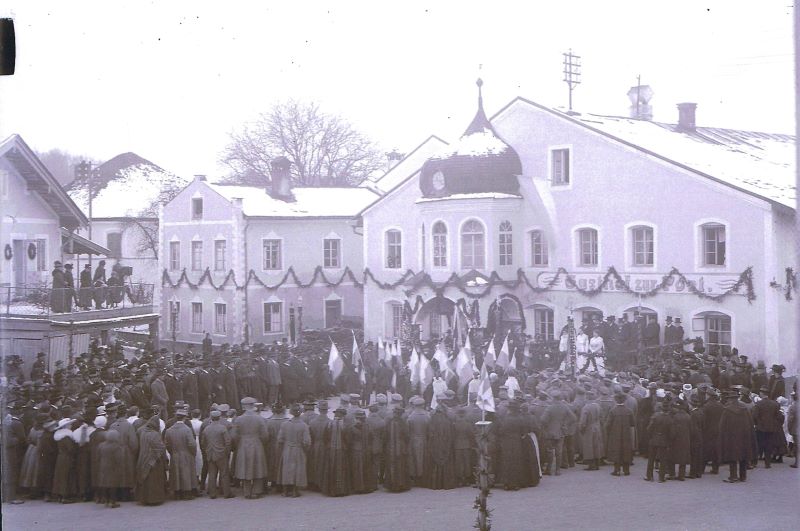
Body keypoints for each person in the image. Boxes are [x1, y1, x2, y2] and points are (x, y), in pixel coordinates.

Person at [719, 389, 756, 483]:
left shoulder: (727, 410)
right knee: (743, 455)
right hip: (744, 436)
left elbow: (722, 425)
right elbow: (750, 423)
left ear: (730, 399)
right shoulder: (744, 408)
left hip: (731, 437)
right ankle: (743, 476)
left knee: (732, 457)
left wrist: (722, 436)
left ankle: (733, 476)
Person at [277, 403, 312, 497]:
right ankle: (294, 491)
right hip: (298, 448)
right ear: (300, 413)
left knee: (286, 469)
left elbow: (280, 439)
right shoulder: (304, 426)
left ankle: (284, 491)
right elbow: (307, 441)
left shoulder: (284, 424)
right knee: (297, 469)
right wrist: (306, 450)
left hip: (287, 448)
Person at [540, 390, 576, 476]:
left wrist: (546, 427)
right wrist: (565, 425)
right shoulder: (565, 407)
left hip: (550, 433)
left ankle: (549, 470)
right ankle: (557, 470)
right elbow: (573, 418)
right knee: (559, 451)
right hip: (561, 432)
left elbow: (543, 420)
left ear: (553, 398)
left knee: (550, 451)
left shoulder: (549, 408)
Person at [164, 409, 197, 500]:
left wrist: (172, 452)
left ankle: (177, 493)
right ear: (184, 418)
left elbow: (167, 444)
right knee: (186, 473)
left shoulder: (169, 430)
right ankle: (187, 493)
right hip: (186, 453)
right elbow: (192, 444)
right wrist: (193, 453)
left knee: (176, 474)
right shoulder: (187, 429)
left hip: (175, 453)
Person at [136, 415, 167, 505]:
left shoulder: (143, 432)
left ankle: (144, 499)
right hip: (153, 461)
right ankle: (154, 499)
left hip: (143, 458)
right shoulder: (155, 434)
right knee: (154, 481)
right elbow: (160, 447)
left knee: (145, 480)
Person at [321, 407, 350, 497]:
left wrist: (328, 446)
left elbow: (325, 437)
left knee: (331, 468)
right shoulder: (345, 425)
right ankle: (341, 490)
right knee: (341, 469)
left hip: (332, 450)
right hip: (341, 450)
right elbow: (348, 439)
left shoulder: (329, 424)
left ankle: (331, 490)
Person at [606, 392, 636, 476]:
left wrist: (609, 432)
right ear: (624, 400)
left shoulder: (613, 411)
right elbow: (633, 423)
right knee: (626, 451)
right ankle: (626, 470)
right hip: (626, 435)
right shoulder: (629, 411)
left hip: (615, 434)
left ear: (616, 400)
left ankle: (617, 470)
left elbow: (608, 424)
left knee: (617, 450)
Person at [752, 387, 782, 468]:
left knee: (759, 445)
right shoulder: (774, 404)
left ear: (762, 393)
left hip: (760, 428)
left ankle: (754, 463)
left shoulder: (758, 404)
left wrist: (757, 424)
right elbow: (779, 416)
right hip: (771, 428)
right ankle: (767, 463)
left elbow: (754, 416)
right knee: (769, 446)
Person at [383, 407, 410, 492]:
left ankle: (391, 485)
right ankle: (401, 485)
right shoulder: (403, 423)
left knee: (391, 465)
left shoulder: (389, 423)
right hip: (400, 448)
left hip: (390, 448)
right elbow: (407, 436)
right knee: (401, 465)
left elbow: (385, 436)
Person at [645, 400, 672, 482]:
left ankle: (649, 476)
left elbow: (649, 428)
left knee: (651, 459)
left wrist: (651, 436)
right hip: (664, 440)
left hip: (654, 439)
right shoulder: (670, 419)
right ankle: (661, 477)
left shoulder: (655, 416)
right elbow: (672, 433)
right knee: (663, 459)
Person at [579, 390, 604, 471]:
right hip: (597, 427)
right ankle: (597, 463)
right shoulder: (598, 406)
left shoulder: (586, 407)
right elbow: (601, 417)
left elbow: (583, 421)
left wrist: (581, 429)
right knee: (597, 445)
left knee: (589, 446)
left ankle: (591, 465)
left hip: (589, 428)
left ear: (587, 397)